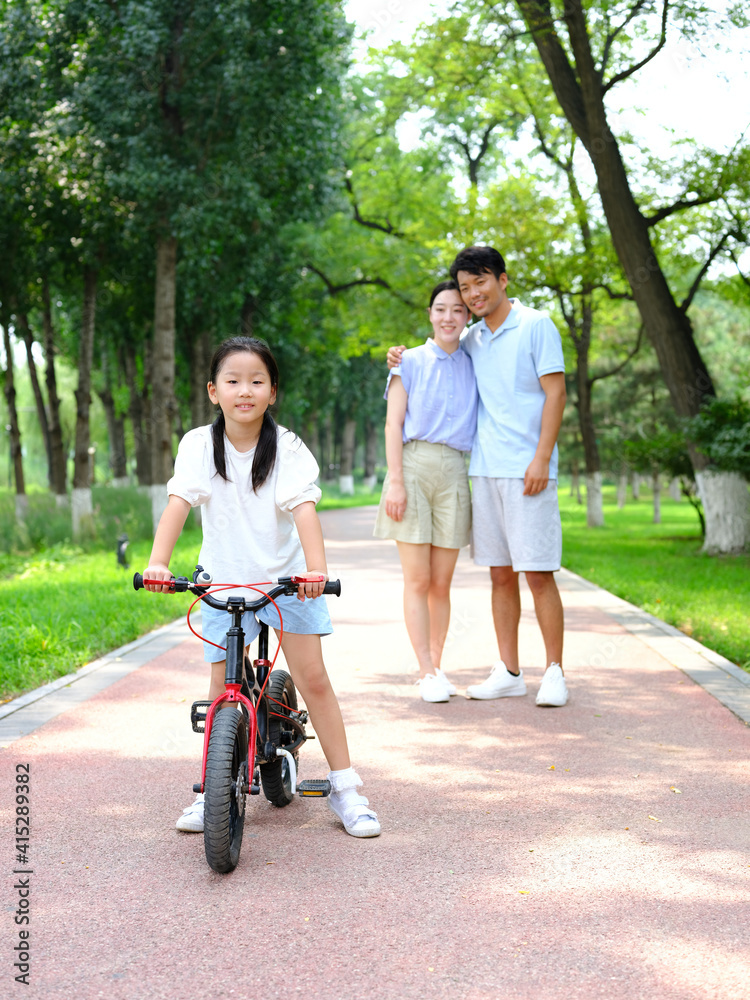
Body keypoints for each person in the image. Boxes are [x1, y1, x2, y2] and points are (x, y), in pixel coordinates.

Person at [143, 336, 380, 838]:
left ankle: (346, 787)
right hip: (223, 580)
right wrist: (158, 563)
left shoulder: (288, 447)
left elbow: (305, 512)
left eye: (257, 381)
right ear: (213, 391)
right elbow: (179, 504)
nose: (244, 390)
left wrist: (315, 571)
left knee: (313, 678)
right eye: (232, 381)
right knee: (218, 688)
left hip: (285, 582)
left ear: (273, 392)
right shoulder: (198, 445)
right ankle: (211, 792)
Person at [389, 247, 569, 707]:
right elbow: (439, 347)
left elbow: (556, 393)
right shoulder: (472, 339)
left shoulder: (536, 325)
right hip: (483, 471)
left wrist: (541, 458)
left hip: (528, 470)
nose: (472, 295)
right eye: (465, 287)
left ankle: (554, 670)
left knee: (539, 573)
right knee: (501, 575)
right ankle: (509, 670)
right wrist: (399, 355)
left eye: (479, 283)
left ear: (503, 280)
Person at [374, 280, 477, 703]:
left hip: (455, 470)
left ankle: (438, 665)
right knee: (417, 579)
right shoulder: (408, 361)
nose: (448, 317)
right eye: (440, 309)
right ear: (430, 314)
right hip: (413, 467)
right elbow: (392, 424)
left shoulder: (475, 359)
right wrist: (395, 480)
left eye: (457, 309)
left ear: (467, 317)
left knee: (441, 582)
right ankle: (425, 671)